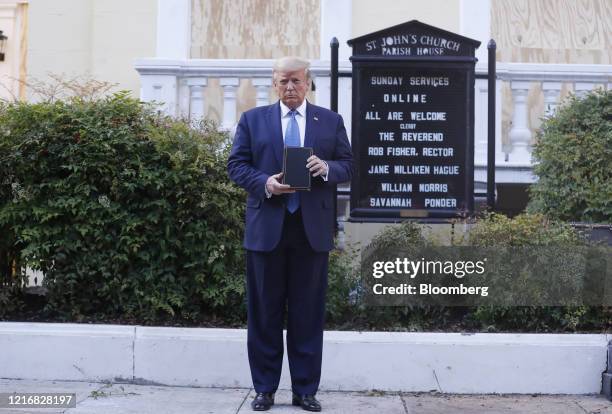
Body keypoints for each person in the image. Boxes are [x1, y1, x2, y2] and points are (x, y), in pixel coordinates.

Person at [227, 56, 353, 411]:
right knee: (264, 312)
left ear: (308, 81)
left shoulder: (329, 121)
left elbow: (349, 165)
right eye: (283, 81)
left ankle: (305, 391)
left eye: (296, 81)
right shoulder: (254, 120)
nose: (290, 88)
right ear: (274, 83)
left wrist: (327, 167)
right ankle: (264, 388)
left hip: (310, 231)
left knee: (307, 313)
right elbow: (236, 165)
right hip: (267, 228)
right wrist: (265, 183)